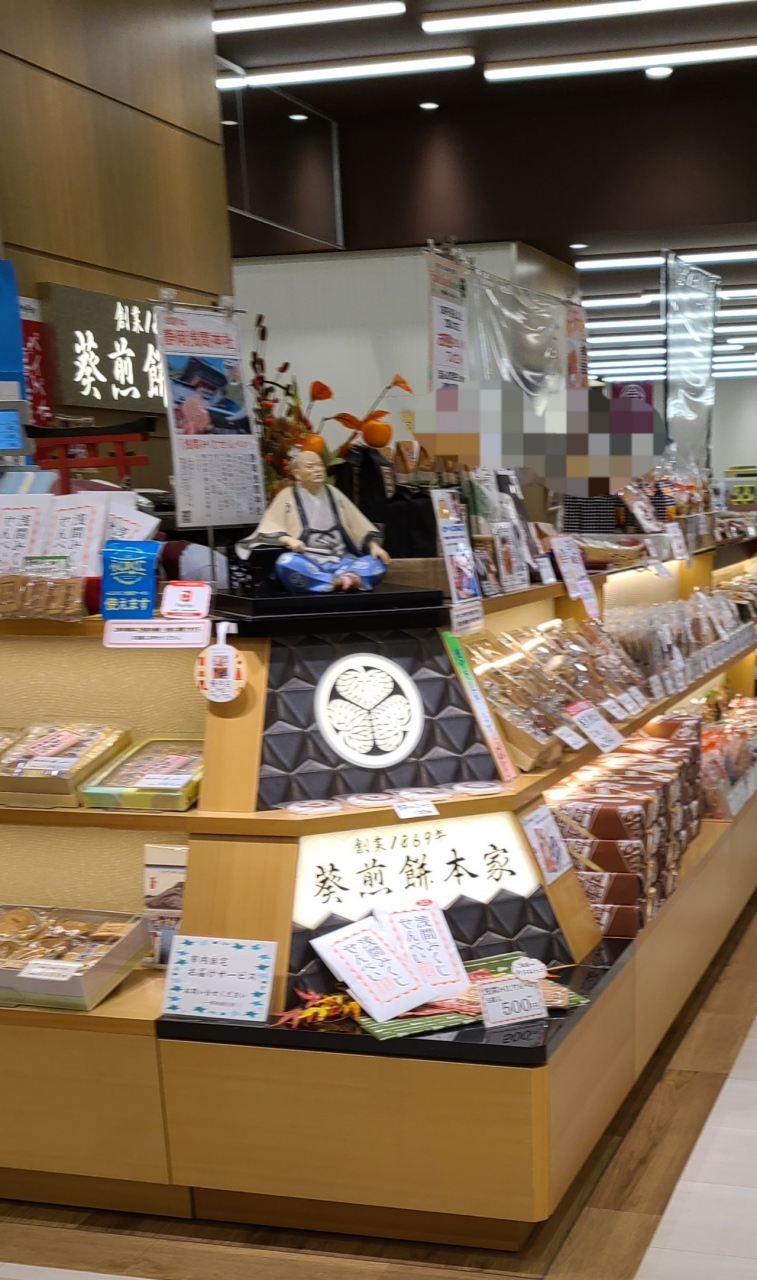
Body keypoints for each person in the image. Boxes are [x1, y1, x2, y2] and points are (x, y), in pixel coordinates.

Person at [236, 449, 390, 593]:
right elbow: (270, 526)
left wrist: (374, 546)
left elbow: (357, 524)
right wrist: (289, 540)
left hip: (342, 559)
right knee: (286, 562)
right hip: (309, 561)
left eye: (320, 465)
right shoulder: (287, 496)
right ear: (297, 474)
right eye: (310, 467)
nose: (317, 470)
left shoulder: (334, 493)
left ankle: (347, 577)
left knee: (376, 562)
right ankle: (333, 581)